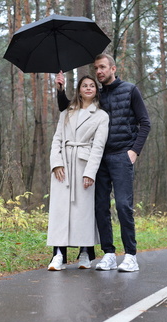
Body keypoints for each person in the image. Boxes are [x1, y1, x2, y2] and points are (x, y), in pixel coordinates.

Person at [55, 54, 151, 272]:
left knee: (124, 206)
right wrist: (61, 89)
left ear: (113, 68)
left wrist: (134, 152)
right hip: (97, 159)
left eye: (102, 67)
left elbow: (145, 123)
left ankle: (130, 256)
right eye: (96, 68)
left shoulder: (130, 90)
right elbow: (69, 110)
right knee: (100, 207)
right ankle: (108, 253)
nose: (99, 71)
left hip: (121, 156)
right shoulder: (97, 96)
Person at [47, 75, 109, 271]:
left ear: (96, 90)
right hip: (63, 165)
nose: (88, 88)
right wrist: (56, 163)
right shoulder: (67, 112)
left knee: (83, 211)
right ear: (79, 89)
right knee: (60, 211)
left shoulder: (101, 116)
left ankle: (85, 251)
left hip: (83, 165)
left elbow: (98, 146)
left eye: (92, 85)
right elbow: (57, 139)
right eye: (85, 85)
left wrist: (90, 172)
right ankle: (58, 254)